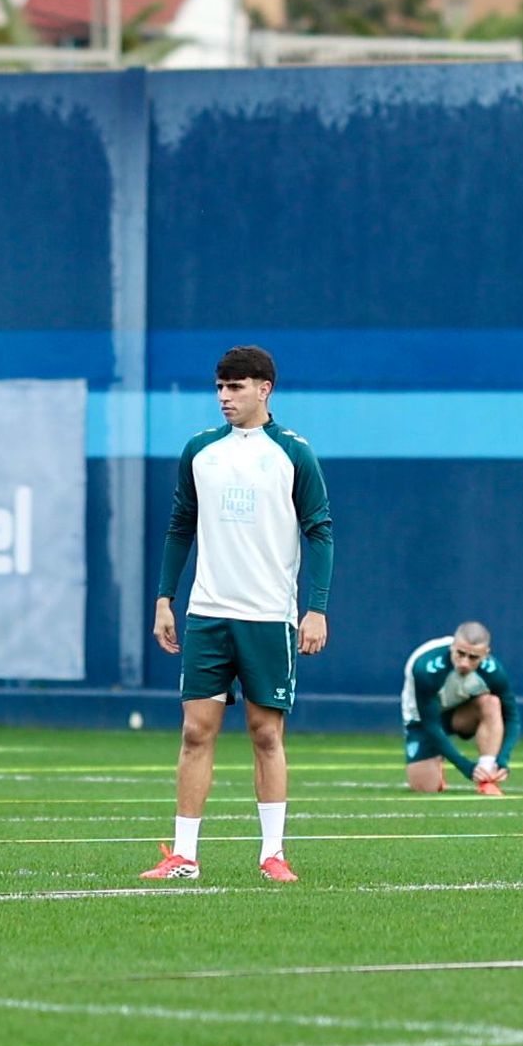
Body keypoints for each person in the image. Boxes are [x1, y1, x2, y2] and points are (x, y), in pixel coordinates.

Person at [145, 345, 332, 884]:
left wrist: (315, 608)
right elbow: (181, 525)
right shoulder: (201, 451)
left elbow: (319, 530)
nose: (225, 397)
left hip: (269, 615)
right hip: (208, 612)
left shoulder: (293, 452)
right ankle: (183, 856)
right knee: (195, 732)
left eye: (237, 387)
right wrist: (165, 598)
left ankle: (272, 853)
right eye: (220, 387)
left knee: (265, 734)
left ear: (264, 389)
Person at [402, 621, 519, 796]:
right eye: (460, 654)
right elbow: (431, 725)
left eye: (473, 658)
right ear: (452, 647)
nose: (464, 663)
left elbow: (512, 717)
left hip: (459, 714)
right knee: (426, 788)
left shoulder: (493, 672)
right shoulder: (426, 669)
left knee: (491, 703)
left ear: (486, 654)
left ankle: (486, 774)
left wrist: (502, 759)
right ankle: (435, 761)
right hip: (423, 720)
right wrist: (466, 767)